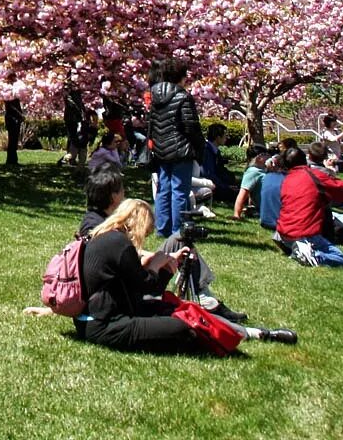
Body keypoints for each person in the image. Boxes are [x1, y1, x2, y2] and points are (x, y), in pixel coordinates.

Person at [58, 199, 296, 353]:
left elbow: (138, 288)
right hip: (106, 325)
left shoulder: (102, 238)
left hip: (97, 319)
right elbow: (145, 287)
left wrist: (164, 266)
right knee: (184, 328)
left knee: (181, 310)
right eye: (147, 231)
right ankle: (242, 336)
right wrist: (160, 263)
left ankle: (253, 333)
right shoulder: (119, 244)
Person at [77, 166, 245, 323]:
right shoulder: (93, 224)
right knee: (176, 244)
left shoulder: (105, 217)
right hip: (124, 288)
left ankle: (203, 293)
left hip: (132, 272)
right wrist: (156, 259)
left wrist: (160, 258)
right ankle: (203, 298)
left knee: (180, 239)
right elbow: (114, 258)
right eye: (122, 190)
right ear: (113, 196)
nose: (124, 194)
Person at [146, 58, 203, 238]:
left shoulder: (154, 96)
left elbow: (152, 124)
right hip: (181, 149)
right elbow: (190, 125)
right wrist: (199, 145)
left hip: (162, 149)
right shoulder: (183, 96)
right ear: (181, 77)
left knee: (164, 189)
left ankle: (162, 228)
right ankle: (178, 230)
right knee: (179, 191)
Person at [277, 147, 343, 267]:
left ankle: (298, 248)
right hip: (305, 233)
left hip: (283, 230)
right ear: (305, 159)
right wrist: (330, 171)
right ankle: (310, 256)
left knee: (339, 255)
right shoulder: (314, 175)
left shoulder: (287, 180)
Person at [198, 124, 238, 204]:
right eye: (225, 136)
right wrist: (226, 186)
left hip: (219, 183)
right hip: (212, 185)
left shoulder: (214, 151)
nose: (227, 138)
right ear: (218, 137)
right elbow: (209, 174)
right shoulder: (207, 151)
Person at [233, 146, 270, 220]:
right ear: (259, 158)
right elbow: (243, 194)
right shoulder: (253, 172)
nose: (269, 156)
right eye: (266, 154)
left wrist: (251, 206)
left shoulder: (262, 170)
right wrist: (237, 214)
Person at [3, 98, 24, 167]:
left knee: (13, 141)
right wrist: (20, 115)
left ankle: (13, 159)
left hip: (14, 120)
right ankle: (11, 160)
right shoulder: (10, 98)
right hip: (13, 120)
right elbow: (13, 108)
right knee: (12, 140)